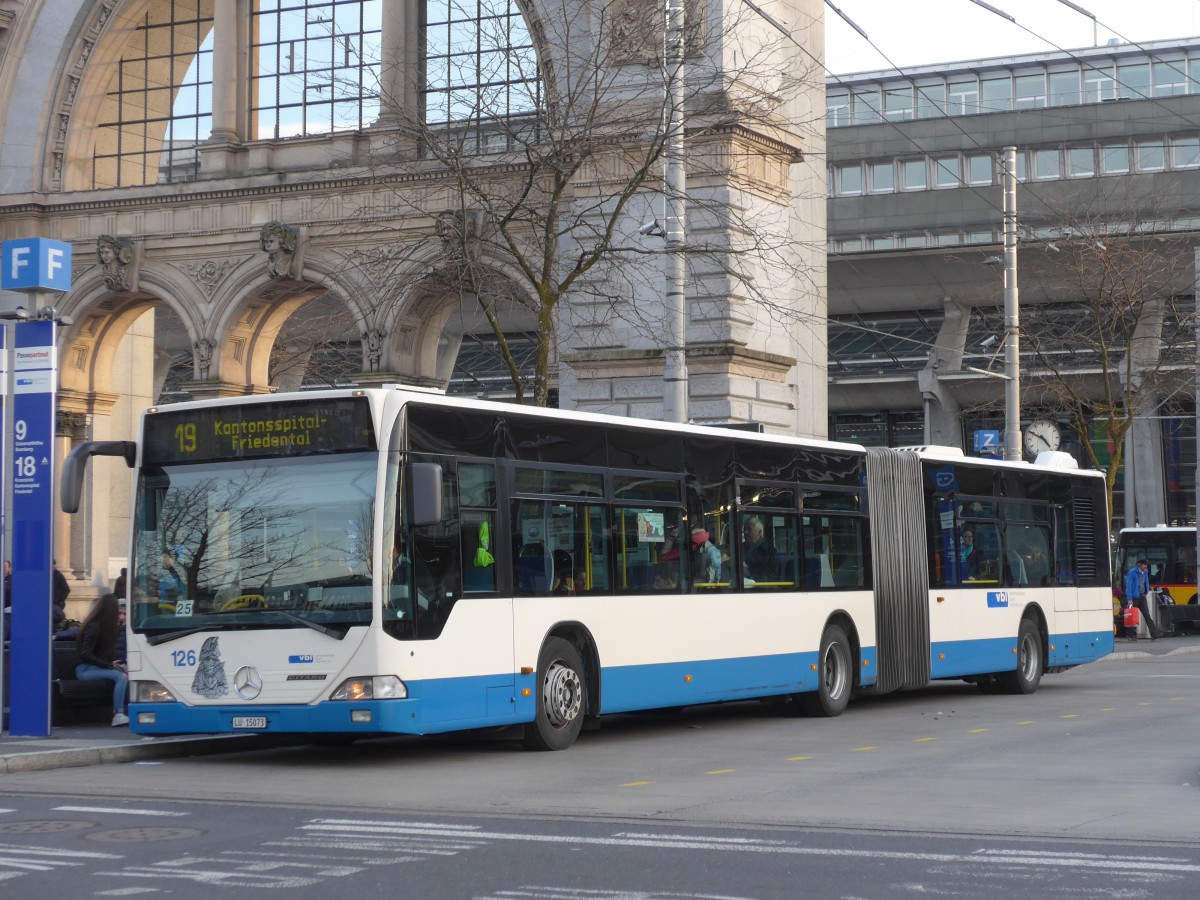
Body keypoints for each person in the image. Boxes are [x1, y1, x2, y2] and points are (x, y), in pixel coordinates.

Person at [74, 592, 129, 726]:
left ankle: (125, 711)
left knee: (126, 673)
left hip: (94, 668)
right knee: (122, 677)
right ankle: (118, 713)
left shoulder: (102, 627)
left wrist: (113, 663)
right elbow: (85, 654)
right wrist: (108, 665)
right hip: (85, 670)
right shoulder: (93, 628)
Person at [1123, 558, 1161, 642]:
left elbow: (1145, 582)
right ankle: (1131, 635)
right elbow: (1128, 586)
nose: (1146, 566)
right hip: (1134, 598)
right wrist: (1129, 599)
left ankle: (1154, 634)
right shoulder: (1132, 572)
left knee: (1147, 615)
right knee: (1133, 616)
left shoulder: (1145, 572)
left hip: (1142, 596)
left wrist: (1146, 591)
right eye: (1144, 564)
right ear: (1139, 564)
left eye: (1146, 565)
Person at [742, 515, 778, 582]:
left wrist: (750, 575)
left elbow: (772, 576)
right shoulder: (739, 548)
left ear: (759, 532)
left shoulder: (770, 551)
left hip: (759, 589)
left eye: (749, 529)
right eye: (744, 529)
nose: (745, 532)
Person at [52, 560, 69, 629]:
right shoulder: (50, 575)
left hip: (57, 603)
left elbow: (66, 589)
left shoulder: (58, 575)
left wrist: (58, 600)